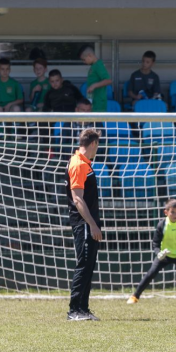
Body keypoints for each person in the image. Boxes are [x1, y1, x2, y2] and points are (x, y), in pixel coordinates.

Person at [66, 128, 103, 321]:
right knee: (84, 264)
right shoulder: (78, 164)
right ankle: (74, 311)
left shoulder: (84, 163)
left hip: (88, 223)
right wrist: (92, 224)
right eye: (98, 145)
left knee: (88, 266)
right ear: (93, 143)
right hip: (84, 223)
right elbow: (77, 199)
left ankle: (83, 309)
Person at [81, 46, 111, 113]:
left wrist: (94, 86)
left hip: (99, 101)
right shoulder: (93, 66)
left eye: (84, 59)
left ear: (89, 55)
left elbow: (108, 80)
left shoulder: (98, 65)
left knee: (97, 119)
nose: (83, 62)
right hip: (93, 99)